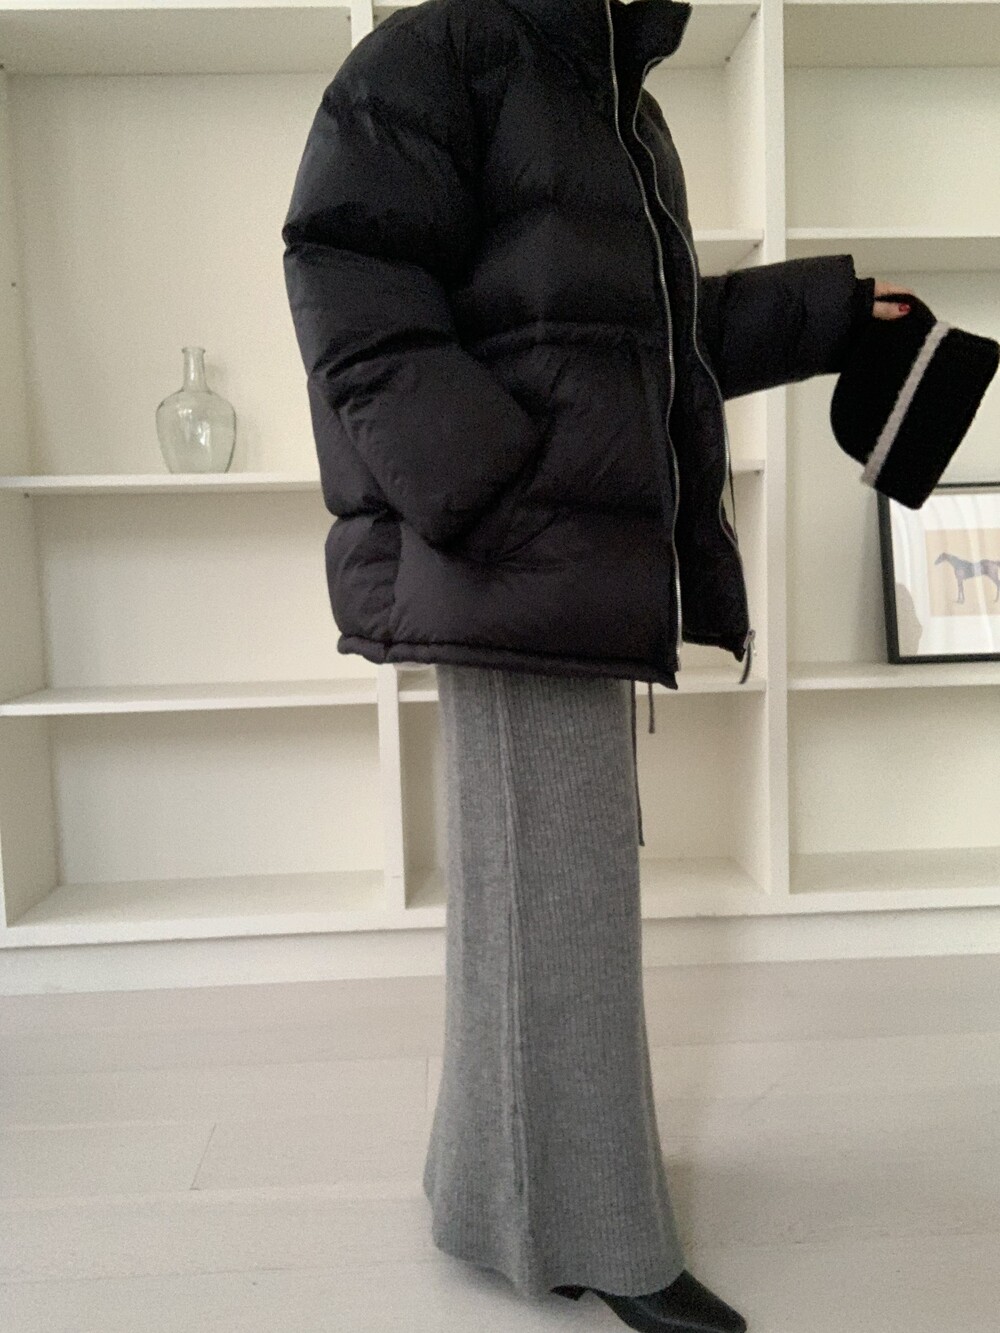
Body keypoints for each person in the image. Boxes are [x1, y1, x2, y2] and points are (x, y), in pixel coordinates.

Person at [281, 1, 915, 1328]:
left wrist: (835, 315)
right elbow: (346, 274)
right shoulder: (445, 53)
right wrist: (492, 483)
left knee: (542, 898)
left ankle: (491, 1194)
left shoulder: (619, 104)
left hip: (560, 561)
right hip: (516, 555)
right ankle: (598, 1235)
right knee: (553, 901)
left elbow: (650, 349)